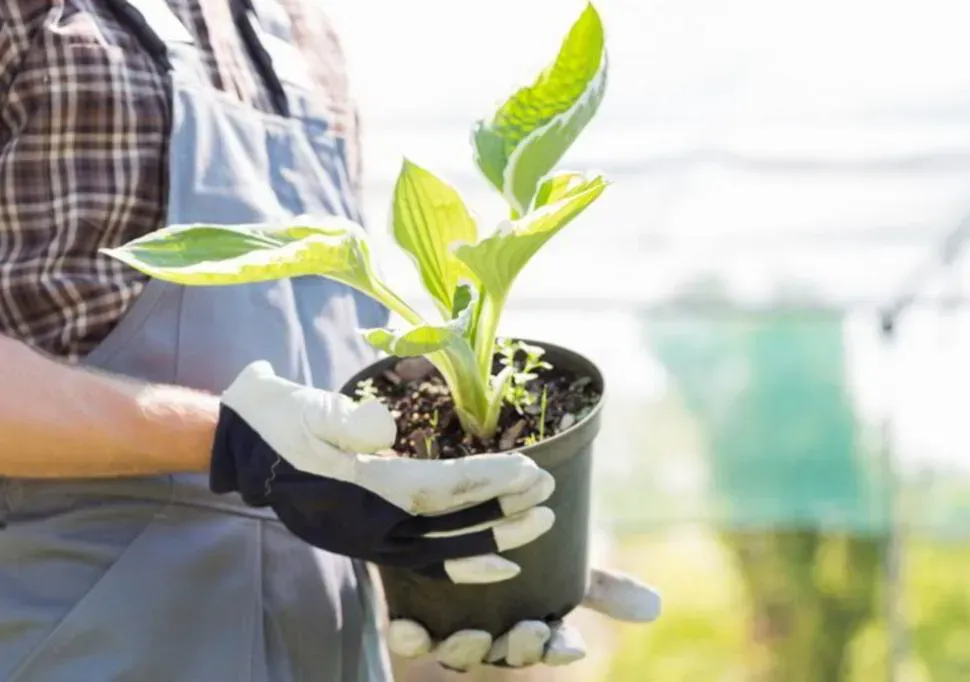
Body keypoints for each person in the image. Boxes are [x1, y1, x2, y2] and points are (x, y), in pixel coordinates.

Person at [0, 0, 660, 679]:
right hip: (75, 642)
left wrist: (458, 551)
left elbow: (329, 415)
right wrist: (233, 442)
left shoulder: (303, 35)